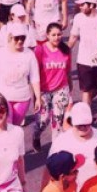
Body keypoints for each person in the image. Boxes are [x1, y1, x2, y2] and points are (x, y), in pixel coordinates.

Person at [0, 23, 42, 127]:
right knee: (6, 126)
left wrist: (38, 97)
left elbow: (34, 77)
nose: (20, 41)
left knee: (15, 127)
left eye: (22, 38)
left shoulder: (29, 54)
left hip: (22, 98)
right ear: (10, 37)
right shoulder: (0, 53)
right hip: (2, 97)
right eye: (17, 38)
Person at [33, 23, 72, 151]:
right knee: (42, 120)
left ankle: (56, 147)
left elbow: (68, 71)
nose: (56, 37)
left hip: (61, 89)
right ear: (47, 36)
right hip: (44, 90)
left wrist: (69, 89)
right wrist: (36, 95)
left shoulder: (66, 50)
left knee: (58, 120)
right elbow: (34, 73)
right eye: (53, 35)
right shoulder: (40, 50)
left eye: (59, 34)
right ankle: (36, 135)